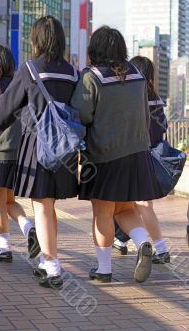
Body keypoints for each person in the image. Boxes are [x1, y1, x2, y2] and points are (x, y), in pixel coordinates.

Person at [0, 16, 79, 289]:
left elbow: (8, 104)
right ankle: (44, 260)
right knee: (49, 207)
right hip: (64, 149)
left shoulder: (30, 68)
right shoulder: (73, 72)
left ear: (37, 39)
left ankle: (53, 268)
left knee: (41, 206)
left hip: (37, 145)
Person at [71, 26, 164, 283]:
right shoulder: (136, 75)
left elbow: (82, 114)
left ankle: (103, 269)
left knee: (102, 212)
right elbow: (146, 117)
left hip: (104, 157)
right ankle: (143, 241)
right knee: (125, 208)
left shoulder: (92, 76)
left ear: (95, 49)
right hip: (137, 154)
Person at [0, 45, 40, 262]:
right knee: (10, 201)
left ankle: (5, 249)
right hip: (22, 155)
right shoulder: (22, 87)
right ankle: (29, 228)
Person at [113, 56, 170, 264]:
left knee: (142, 205)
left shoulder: (136, 100)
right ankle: (121, 239)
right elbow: (161, 130)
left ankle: (162, 250)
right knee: (128, 204)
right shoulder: (156, 100)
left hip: (138, 158)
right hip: (152, 159)